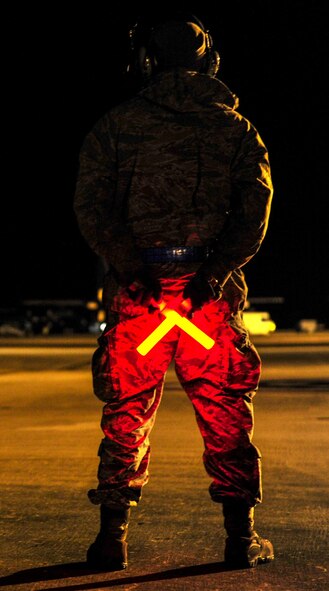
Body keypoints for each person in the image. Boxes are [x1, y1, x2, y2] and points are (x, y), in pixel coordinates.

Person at [74, 11, 274, 571]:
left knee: (127, 411)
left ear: (150, 61)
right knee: (225, 413)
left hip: (141, 299)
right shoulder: (234, 128)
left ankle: (111, 537)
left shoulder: (116, 125)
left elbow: (91, 208)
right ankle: (240, 537)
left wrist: (131, 268)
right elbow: (254, 215)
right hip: (204, 303)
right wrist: (213, 274)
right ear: (207, 61)